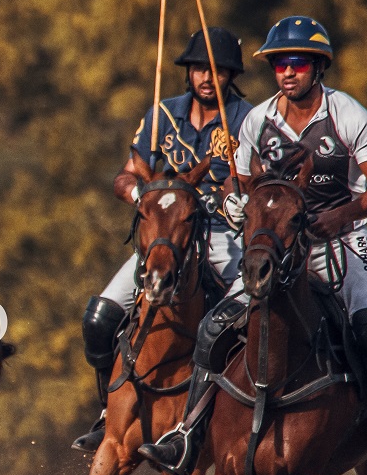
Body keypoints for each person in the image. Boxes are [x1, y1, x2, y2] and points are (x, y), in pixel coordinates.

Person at [140, 16, 367, 475]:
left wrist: (339, 216)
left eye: (298, 63)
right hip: (276, 247)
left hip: (344, 239)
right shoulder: (257, 119)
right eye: (279, 64)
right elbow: (239, 176)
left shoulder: (347, 114)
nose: (287, 72)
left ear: (318, 66)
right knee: (212, 328)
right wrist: (234, 202)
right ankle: (187, 432)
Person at [73, 28, 254, 453]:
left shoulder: (247, 118)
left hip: (220, 233)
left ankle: (230, 419)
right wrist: (139, 195)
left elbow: (250, 178)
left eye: (215, 69)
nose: (206, 77)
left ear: (230, 73)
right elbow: (128, 173)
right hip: (165, 237)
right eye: (197, 69)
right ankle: (107, 411)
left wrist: (239, 199)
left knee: (244, 322)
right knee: (99, 318)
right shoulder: (162, 116)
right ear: (187, 73)